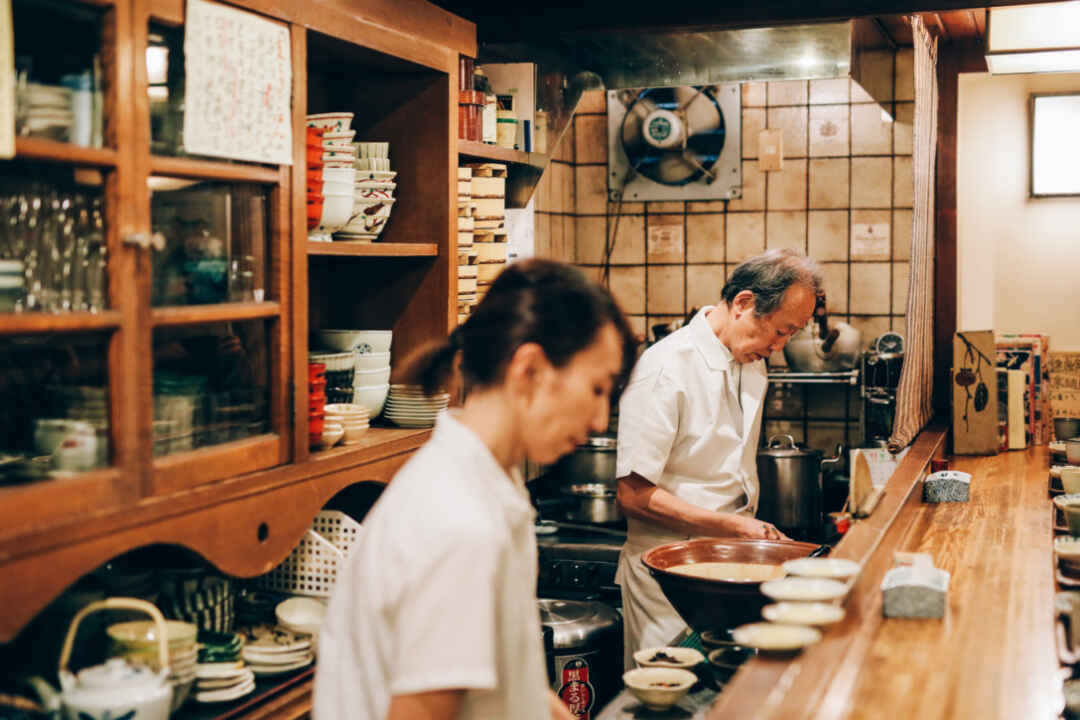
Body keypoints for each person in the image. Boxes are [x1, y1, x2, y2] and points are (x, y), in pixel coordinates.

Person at [312, 259, 637, 720]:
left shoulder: (491, 482)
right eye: (598, 388)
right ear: (529, 371)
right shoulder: (459, 522)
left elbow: (501, 679)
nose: (601, 419)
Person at [614, 249, 822, 666]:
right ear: (744, 303)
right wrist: (731, 524)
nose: (778, 347)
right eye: (780, 331)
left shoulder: (750, 361)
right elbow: (632, 495)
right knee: (672, 697)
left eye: (790, 335)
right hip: (668, 578)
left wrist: (741, 531)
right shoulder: (666, 368)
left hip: (728, 568)